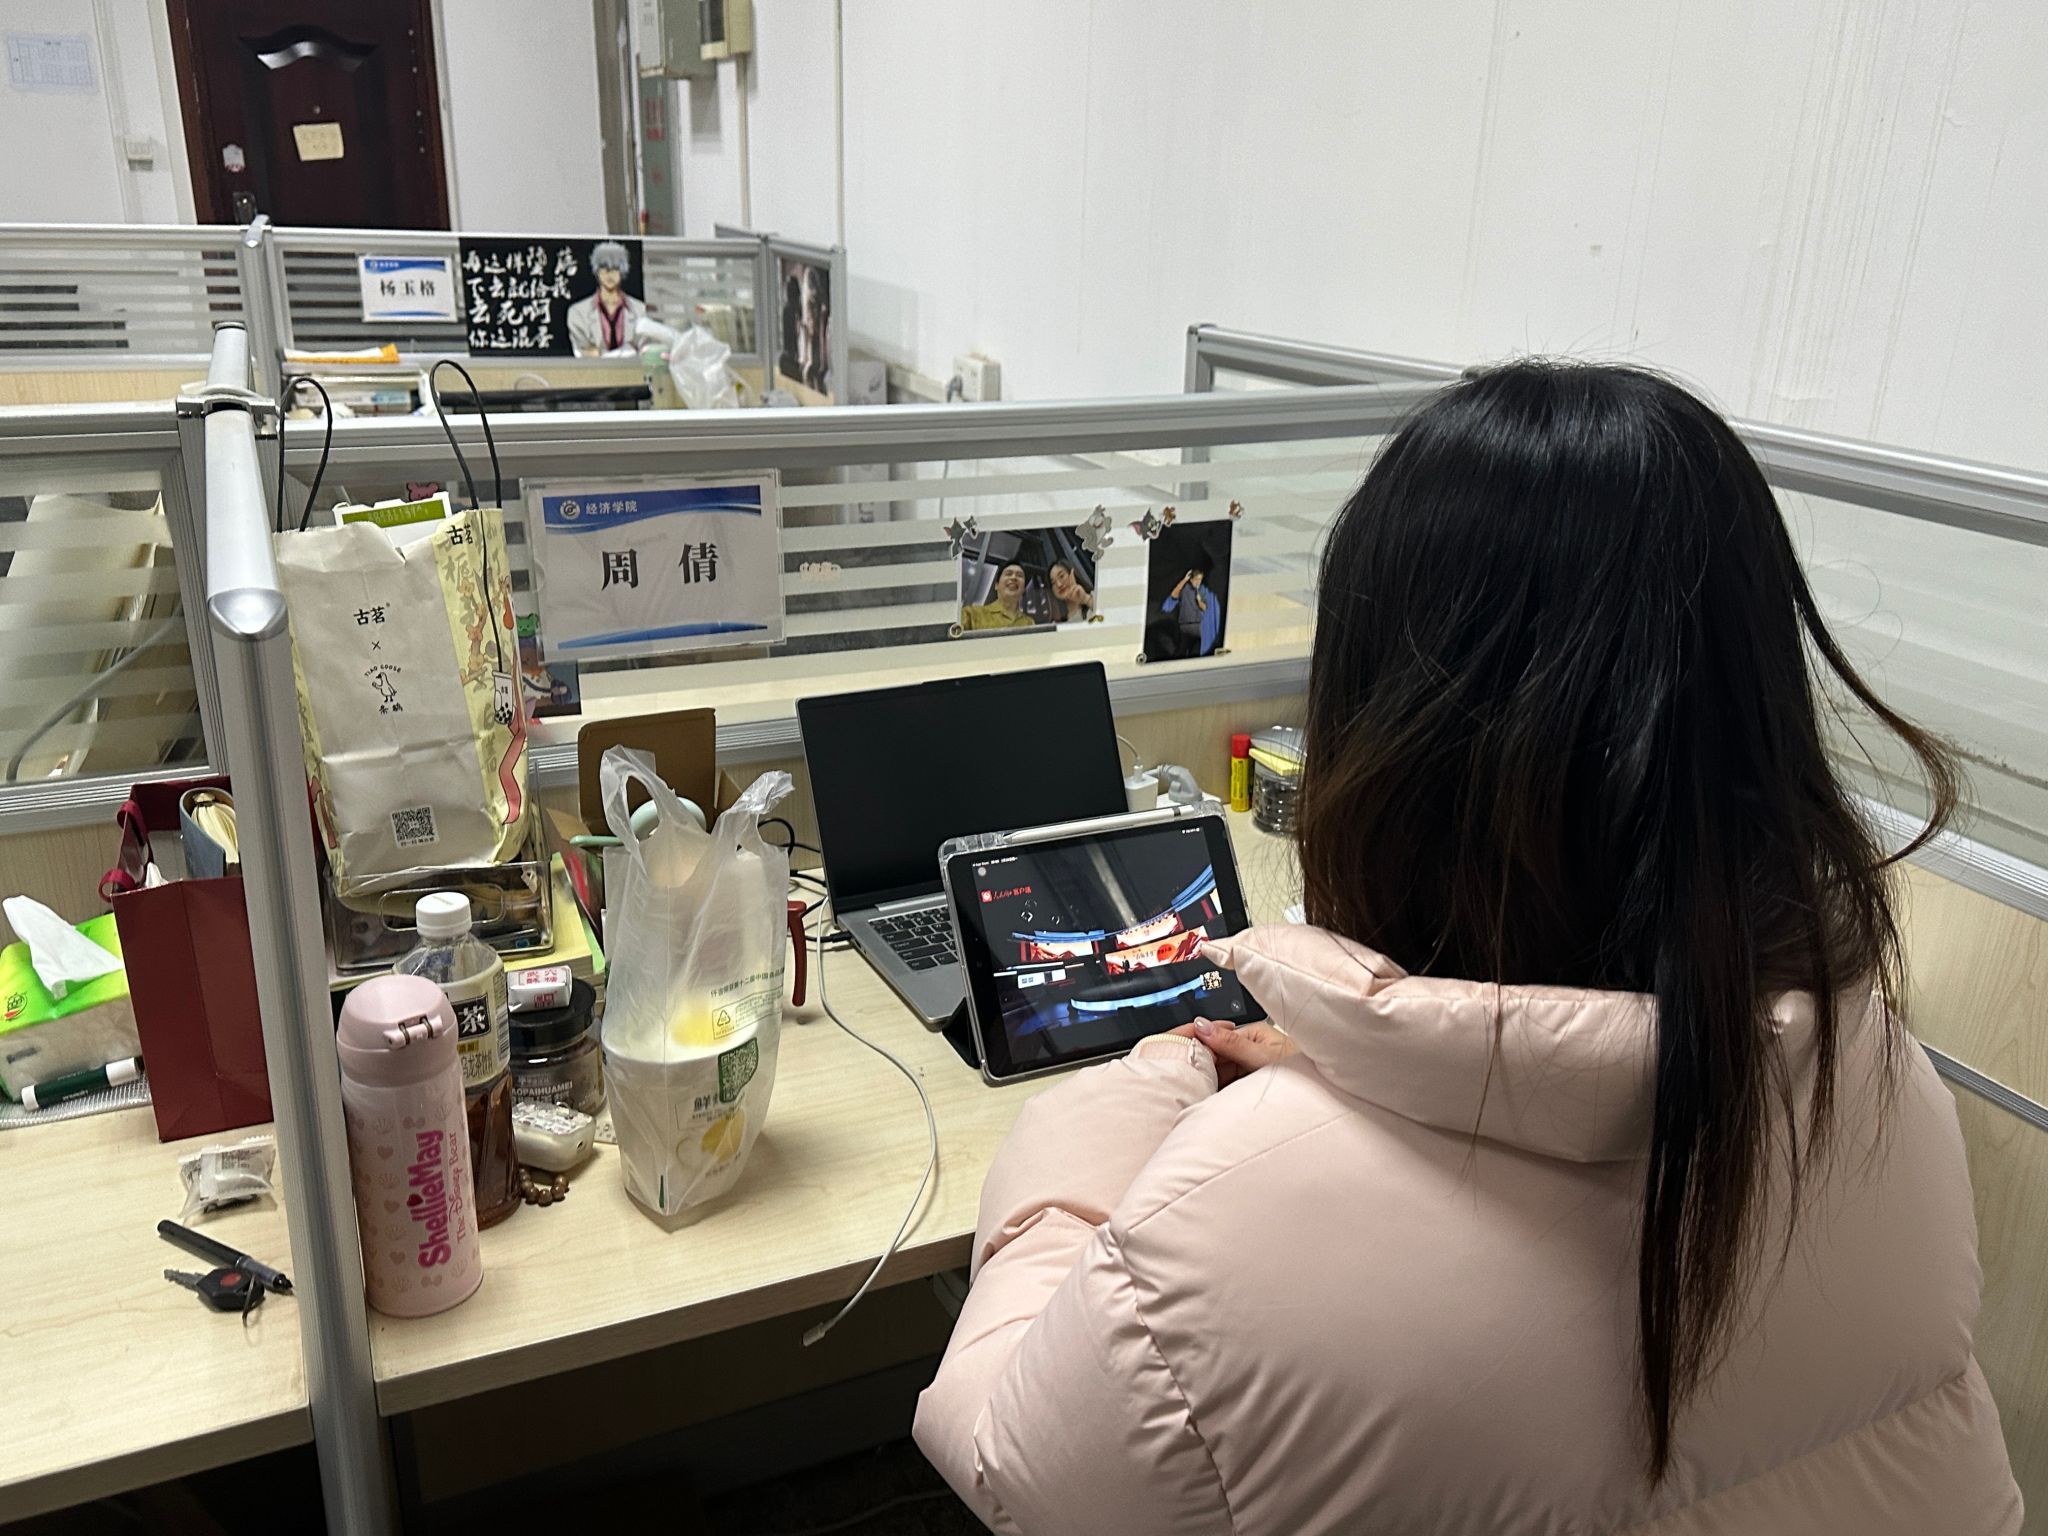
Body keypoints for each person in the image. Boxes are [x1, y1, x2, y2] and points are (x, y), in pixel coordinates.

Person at [914, 362, 2021, 1534]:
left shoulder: (1239, 1225)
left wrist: (1127, 1104)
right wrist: (1376, 1082)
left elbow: (1011, 1464)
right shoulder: (1878, 1083)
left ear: (1385, 740)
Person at [566, 240, 646, 357]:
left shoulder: (640, 310)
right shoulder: (577, 312)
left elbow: (643, 350)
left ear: (622, 271)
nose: (609, 274)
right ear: (597, 271)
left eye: (615, 268)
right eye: (604, 268)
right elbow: (583, 352)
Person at [1159, 546, 1222, 656]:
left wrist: (1199, 601)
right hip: (1184, 627)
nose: (1198, 582)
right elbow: (1173, 597)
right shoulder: (1184, 588)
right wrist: (1184, 580)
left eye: (1200, 579)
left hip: (1198, 627)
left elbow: (1205, 608)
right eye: (1196, 579)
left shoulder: (1206, 592)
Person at [960, 561, 1038, 630]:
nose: (1014, 577)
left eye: (1019, 575)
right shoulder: (971, 614)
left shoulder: (1029, 623)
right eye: (1008, 574)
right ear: (996, 585)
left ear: (1023, 589)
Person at [1048, 558, 1095, 623]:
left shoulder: (1094, 597)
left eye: (1061, 576)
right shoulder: (1057, 622)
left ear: (1072, 574)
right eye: (1053, 583)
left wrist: (1085, 599)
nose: (1059, 584)